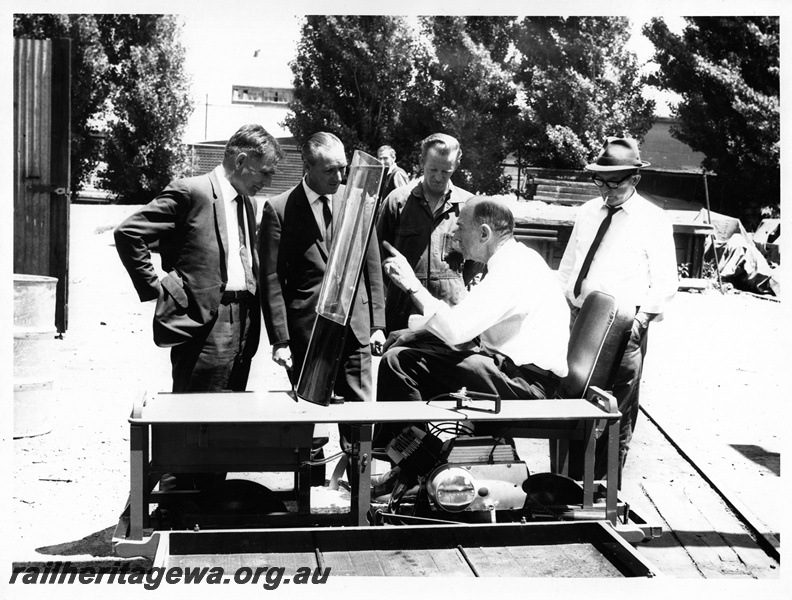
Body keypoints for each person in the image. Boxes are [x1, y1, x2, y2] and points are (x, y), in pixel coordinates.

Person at [115, 123, 283, 393]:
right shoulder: (191, 192)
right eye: (264, 172)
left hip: (245, 324)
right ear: (241, 161)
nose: (268, 183)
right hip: (203, 328)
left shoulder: (249, 203)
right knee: (196, 419)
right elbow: (129, 233)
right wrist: (160, 290)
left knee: (232, 417)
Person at [557, 137, 678, 486]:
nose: (606, 191)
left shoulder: (653, 220)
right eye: (600, 181)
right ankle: (569, 486)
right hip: (579, 321)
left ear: (635, 179)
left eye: (615, 183)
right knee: (573, 402)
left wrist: (641, 321)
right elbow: (569, 267)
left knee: (615, 411)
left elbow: (666, 282)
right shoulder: (586, 212)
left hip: (625, 328)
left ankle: (605, 493)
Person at [378, 196, 569, 415]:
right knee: (407, 343)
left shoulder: (513, 268)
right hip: (514, 373)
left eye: (460, 227)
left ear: (484, 234)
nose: (454, 236)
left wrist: (413, 286)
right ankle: (415, 443)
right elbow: (465, 323)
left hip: (525, 385)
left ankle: (411, 448)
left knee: (399, 362)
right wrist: (417, 334)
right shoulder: (515, 259)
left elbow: (456, 331)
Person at [259, 132, 386, 406]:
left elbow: (372, 267)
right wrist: (280, 340)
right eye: (330, 170)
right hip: (308, 330)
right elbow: (271, 279)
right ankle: (314, 450)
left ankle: (354, 451)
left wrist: (377, 324)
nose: (339, 177)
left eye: (343, 168)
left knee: (358, 416)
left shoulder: (358, 200)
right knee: (308, 417)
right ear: (307, 166)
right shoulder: (279, 209)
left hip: (355, 328)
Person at [376, 133, 485, 334]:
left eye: (446, 171)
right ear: (421, 161)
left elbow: (477, 261)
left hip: (450, 318)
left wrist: (452, 284)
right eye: (432, 169)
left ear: (457, 164)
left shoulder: (468, 207)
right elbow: (376, 260)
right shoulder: (397, 202)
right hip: (402, 316)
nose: (438, 177)